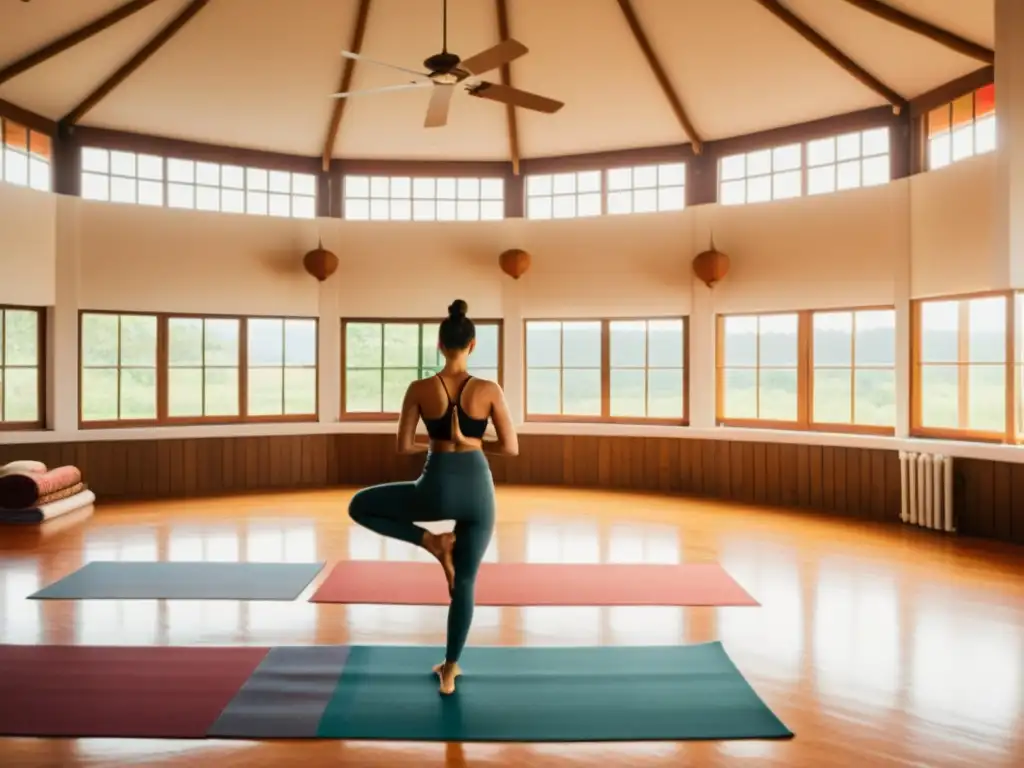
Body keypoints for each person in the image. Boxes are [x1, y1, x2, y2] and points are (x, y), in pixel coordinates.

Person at [348, 299, 519, 695]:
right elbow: (510, 448)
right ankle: (451, 668)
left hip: (435, 491)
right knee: (467, 580)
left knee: (360, 505)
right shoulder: (489, 390)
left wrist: (441, 440)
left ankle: (431, 541)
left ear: (440, 346)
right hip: (478, 492)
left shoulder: (421, 388)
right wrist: (471, 440)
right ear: (472, 345)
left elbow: (404, 446)